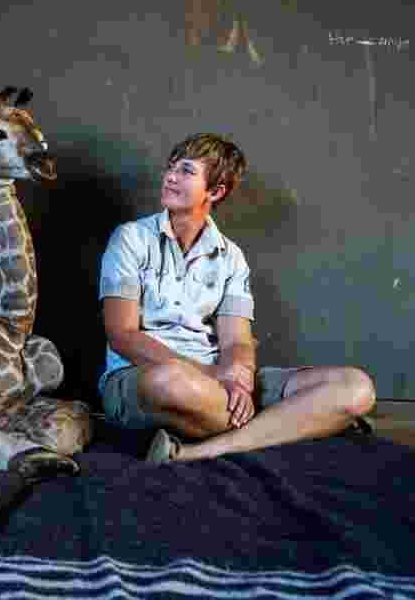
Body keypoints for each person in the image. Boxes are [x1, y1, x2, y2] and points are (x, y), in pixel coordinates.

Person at [98, 133, 375, 463]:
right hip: (143, 379)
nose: (170, 176)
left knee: (355, 386)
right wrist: (214, 376)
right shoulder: (130, 238)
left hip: (219, 385)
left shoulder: (231, 258)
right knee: (170, 379)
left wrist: (239, 379)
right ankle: (305, 422)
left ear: (216, 191)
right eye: (171, 167)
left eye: (186, 171)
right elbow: (122, 335)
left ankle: (195, 451)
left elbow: (237, 343)